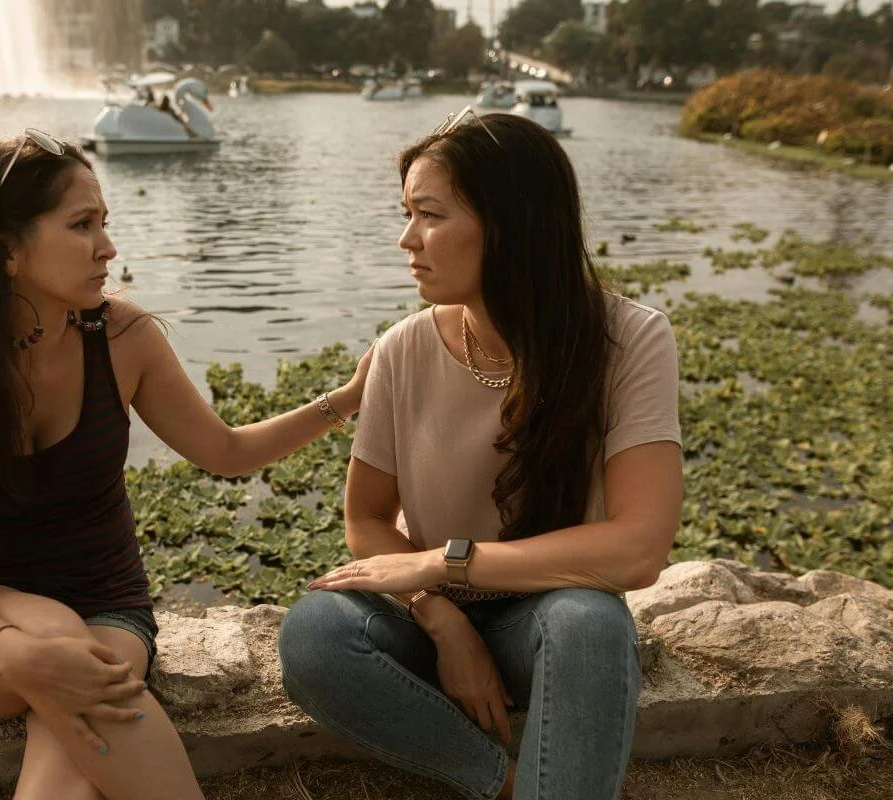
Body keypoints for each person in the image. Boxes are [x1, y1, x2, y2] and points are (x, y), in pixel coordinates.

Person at [0, 128, 372, 800]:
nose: (108, 248)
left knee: (73, 707)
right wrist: (12, 650)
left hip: (109, 611)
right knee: (56, 639)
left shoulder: (124, 338)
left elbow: (225, 452)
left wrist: (345, 400)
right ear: (4, 248)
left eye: (105, 223)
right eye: (83, 226)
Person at [277, 109, 683, 800]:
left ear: (512, 223)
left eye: (429, 215)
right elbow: (367, 520)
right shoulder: (402, 348)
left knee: (590, 622)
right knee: (316, 633)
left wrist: (447, 558)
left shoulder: (629, 340)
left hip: (548, 621)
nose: (407, 240)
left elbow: (638, 549)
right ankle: (504, 782)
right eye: (406, 214)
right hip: (427, 622)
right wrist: (442, 613)